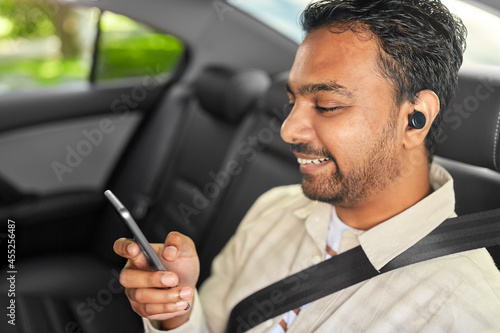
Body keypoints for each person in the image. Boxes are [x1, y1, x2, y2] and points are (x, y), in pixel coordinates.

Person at [114, 0, 500, 332]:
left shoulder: (465, 307)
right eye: (292, 101)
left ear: (414, 118)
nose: (287, 130)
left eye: (327, 105)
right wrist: (176, 312)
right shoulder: (275, 209)